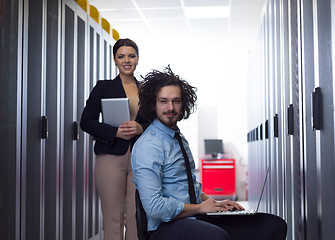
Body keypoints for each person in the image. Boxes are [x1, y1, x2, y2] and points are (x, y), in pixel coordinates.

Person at [131, 66, 287, 240]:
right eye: (163, 101)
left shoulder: (178, 138)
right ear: (153, 104)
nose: (170, 107)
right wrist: (199, 208)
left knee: (273, 226)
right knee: (216, 237)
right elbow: (154, 206)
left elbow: (187, 187)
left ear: (183, 104)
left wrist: (214, 203)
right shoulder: (149, 146)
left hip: (195, 216)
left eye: (176, 101)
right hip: (165, 226)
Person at [80, 38, 149, 240]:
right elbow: (87, 121)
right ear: (114, 60)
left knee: (137, 215)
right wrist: (114, 132)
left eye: (131, 55)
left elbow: (157, 122)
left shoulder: (147, 90)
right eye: (121, 56)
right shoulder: (103, 87)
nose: (126, 60)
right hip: (111, 156)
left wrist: (141, 128)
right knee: (113, 216)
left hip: (141, 157)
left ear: (137, 59)